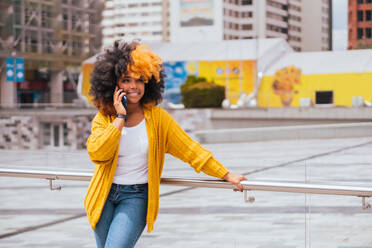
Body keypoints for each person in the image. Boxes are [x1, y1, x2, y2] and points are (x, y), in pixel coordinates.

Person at [85, 40, 247, 248]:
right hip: (103, 196)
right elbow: (97, 154)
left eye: (140, 80)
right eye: (126, 80)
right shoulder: (104, 117)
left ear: (150, 83)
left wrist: (225, 174)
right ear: (112, 83)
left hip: (136, 197)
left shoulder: (159, 120)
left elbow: (190, 150)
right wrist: (119, 118)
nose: (134, 86)